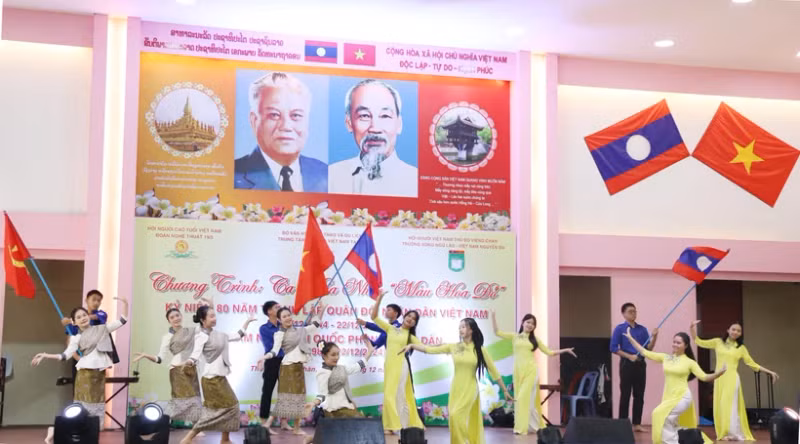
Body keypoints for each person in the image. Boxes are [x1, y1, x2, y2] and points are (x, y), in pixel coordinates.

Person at [32, 297, 129, 444]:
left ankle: (56, 429)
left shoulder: (101, 329)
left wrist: (125, 304)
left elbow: (122, 321)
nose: (82, 318)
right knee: (83, 412)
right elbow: (65, 355)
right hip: (85, 375)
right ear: (74, 322)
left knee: (97, 421)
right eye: (78, 317)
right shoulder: (75, 337)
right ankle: (56, 429)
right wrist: (45, 355)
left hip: (99, 375)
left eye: (84, 315)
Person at [402, 318, 512, 444]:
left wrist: (504, 390)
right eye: (459, 327)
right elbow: (430, 350)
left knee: (456, 416)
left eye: (463, 327)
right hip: (456, 388)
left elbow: (494, 372)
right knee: (453, 419)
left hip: (470, 388)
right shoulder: (454, 347)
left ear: (471, 330)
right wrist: (412, 345)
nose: (460, 329)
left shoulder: (480, 349)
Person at [625, 328, 726, 444]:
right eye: (674, 342)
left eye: (678, 343)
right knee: (669, 421)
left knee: (660, 415)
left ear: (686, 345)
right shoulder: (666, 358)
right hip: (669, 396)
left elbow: (704, 377)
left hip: (682, 396)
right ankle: (685, 438)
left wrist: (719, 373)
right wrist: (630, 338)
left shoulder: (690, 362)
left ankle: (673, 441)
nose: (675, 344)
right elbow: (644, 352)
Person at [234, 71, 327, 192]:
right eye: (274, 115)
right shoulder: (234, 176)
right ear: (254, 120)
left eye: (296, 115)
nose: (286, 126)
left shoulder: (325, 174)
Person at [690, 320, 779, 441]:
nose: (736, 332)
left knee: (729, 405)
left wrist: (770, 372)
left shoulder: (741, 348)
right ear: (728, 330)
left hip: (732, 379)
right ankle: (724, 432)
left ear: (740, 333)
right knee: (721, 406)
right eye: (733, 329)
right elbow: (698, 341)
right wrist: (692, 327)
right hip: (719, 379)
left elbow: (752, 364)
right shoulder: (718, 342)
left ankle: (731, 432)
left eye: (738, 330)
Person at [179, 305, 257, 444]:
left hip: (219, 378)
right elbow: (195, 354)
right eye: (211, 316)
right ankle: (188, 438)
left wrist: (247, 322)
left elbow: (238, 335)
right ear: (203, 320)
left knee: (228, 407)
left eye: (215, 315)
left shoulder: (219, 334)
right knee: (224, 408)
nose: (214, 318)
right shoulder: (201, 336)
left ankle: (225, 439)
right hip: (211, 379)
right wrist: (189, 362)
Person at [490, 311, 577, 435]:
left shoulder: (535, 339)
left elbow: (549, 352)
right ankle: (532, 425)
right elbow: (497, 332)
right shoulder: (515, 336)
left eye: (533, 323)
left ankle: (521, 428)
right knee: (524, 401)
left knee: (521, 398)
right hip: (519, 372)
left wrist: (566, 350)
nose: (530, 325)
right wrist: (493, 316)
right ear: (523, 323)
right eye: (528, 322)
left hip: (531, 371)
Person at [328, 79, 417, 197]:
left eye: (385, 116)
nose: (375, 128)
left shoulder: (416, 182)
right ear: (349, 123)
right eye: (364, 116)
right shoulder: (330, 176)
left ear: (399, 124)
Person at [257, 303, 328, 436]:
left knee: (300, 397)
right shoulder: (279, 334)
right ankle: (268, 423)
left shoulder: (300, 330)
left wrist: (322, 310)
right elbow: (274, 350)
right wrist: (263, 358)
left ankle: (296, 427)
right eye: (284, 316)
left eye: (289, 315)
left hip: (299, 367)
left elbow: (315, 325)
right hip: (287, 368)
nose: (288, 318)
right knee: (287, 398)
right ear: (280, 320)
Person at [132, 304, 208, 425]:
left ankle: (195, 426)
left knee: (195, 397)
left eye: (177, 315)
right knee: (182, 399)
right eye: (172, 317)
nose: (176, 318)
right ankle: (160, 421)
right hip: (177, 370)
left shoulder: (190, 331)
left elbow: (205, 327)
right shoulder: (167, 337)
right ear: (169, 321)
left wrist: (208, 306)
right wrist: (146, 355)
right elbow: (160, 358)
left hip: (191, 368)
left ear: (181, 316)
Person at [301, 340, 377, 444]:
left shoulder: (341, 369)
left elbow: (357, 366)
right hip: (333, 409)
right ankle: (313, 438)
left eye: (338, 354)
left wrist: (370, 351)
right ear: (324, 355)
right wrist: (313, 403)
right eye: (333, 354)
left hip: (346, 407)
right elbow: (322, 394)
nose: (336, 357)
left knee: (344, 434)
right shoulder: (322, 373)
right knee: (354, 428)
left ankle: (312, 438)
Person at [369, 290, 424, 434]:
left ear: (414, 324)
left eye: (414, 319)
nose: (411, 319)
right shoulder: (391, 328)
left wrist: (412, 345)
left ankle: (401, 426)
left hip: (401, 367)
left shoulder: (409, 336)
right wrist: (379, 298)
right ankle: (392, 425)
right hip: (389, 366)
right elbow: (374, 317)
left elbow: (424, 347)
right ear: (404, 316)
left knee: (398, 395)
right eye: (409, 316)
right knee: (389, 395)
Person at [610, 302, 659, 433]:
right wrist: (628, 356)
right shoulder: (619, 329)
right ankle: (622, 423)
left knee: (639, 394)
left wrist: (655, 336)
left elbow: (649, 348)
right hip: (627, 364)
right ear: (624, 314)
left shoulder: (642, 329)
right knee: (625, 394)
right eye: (630, 311)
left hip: (640, 364)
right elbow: (613, 348)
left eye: (635, 311)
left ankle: (637, 423)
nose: (633, 314)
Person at [258, 301, 288, 434]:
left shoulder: (284, 325)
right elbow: (272, 345)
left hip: (285, 360)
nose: (279, 309)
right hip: (271, 361)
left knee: (285, 392)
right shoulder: (264, 328)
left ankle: (284, 422)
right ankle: (264, 422)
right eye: (276, 307)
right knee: (267, 391)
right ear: (269, 311)